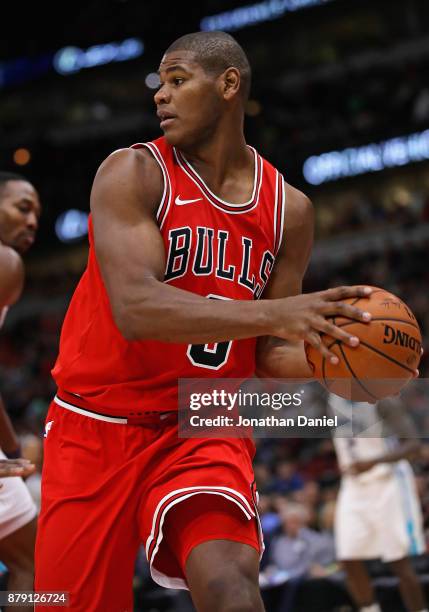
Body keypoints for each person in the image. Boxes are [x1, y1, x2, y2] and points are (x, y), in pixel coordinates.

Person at [35, 31, 375, 612]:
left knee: (230, 588)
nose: (160, 97)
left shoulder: (289, 210)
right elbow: (137, 310)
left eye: (177, 79)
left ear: (228, 84)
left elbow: (266, 351)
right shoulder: (131, 173)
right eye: (159, 85)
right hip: (95, 422)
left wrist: (339, 359)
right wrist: (280, 312)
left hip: (204, 419)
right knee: (56, 602)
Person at [330, 393, 428, 612]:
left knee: (398, 561)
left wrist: (373, 461)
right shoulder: (333, 401)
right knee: (348, 557)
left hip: (388, 481)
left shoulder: (382, 398)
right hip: (353, 485)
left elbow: (413, 445)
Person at [0, 172, 40, 608]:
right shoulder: (5, 262)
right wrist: (11, 449)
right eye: (22, 207)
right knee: (35, 569)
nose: (32, 222)